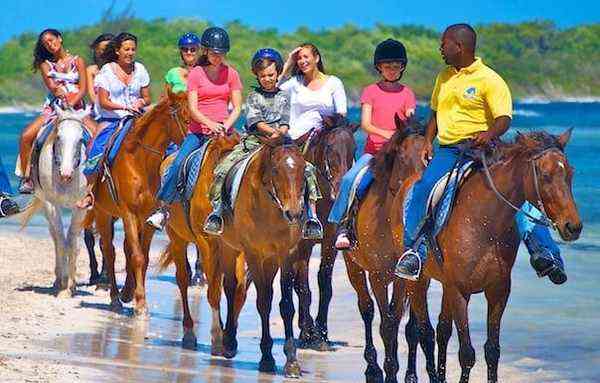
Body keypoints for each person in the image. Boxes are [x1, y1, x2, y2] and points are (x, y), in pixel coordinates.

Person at [394, 24, 566, 283]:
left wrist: (488, 135)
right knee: (424, 187)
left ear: (460, 46)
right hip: (450, 150)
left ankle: (545, 252)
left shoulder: (490, 79)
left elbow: (503, 118)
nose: (441, 49)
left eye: (445, 44)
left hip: (487, 149)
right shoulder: (443, 77)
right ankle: (413, 251)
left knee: (520, 191)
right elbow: (435, 114)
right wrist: (429, 140)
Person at [202, 48, 323, 238]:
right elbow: (255, 122)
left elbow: (285, 121)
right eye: (263, 76)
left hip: (282, 142)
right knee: (223, 169)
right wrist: (273, 133)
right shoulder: (253, 97)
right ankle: (217, 212)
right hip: (254, 141)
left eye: (271, 75)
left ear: (277, 74)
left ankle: (311, 216)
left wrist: (281, 133)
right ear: (257, 76)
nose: (267, 79)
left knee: (307, 169)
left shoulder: (284, 96)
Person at [146, 27, 242, 230]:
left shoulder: (231, 74)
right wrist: (210, 124)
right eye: (214, 52)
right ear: (205, 51)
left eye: (221, 53)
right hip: (199, 132)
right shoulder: (196, 74)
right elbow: (193, 108)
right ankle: (163, 208)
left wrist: (225, 125)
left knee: (247, 160)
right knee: (178, 163)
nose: (218, 57)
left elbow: (237, 107)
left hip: (225, 131)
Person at [328, 39, 416, 249]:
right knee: (350, 180)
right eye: (388, 67)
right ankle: (343, 226)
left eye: (396, 67)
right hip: (374, 155)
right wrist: (390, 135)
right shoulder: (370, 92)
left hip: (399, 155)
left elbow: (410, 124)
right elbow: (366, 125)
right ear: (379, 68)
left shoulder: (408, 94)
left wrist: (403, 138)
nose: (392, 71)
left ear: (402, 67)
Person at [79, 32, 151, 209]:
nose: (130, 53)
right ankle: (90, 191)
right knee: (97, 148)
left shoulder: (140, 69)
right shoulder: (107, 72)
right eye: (126, 49)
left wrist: (141, 101)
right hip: (112, 120)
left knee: (164, 144)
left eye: (133, 49)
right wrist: (125, 108)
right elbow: (103, 101)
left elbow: (147, 98)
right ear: (118, 51)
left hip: (137, 118)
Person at [18, 28, 95, 194]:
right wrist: (62, 100)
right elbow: (53, 87)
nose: (50, 45)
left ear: (60, 39)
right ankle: (28, 178)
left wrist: (73, 102)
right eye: (46, 44)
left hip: (77, 109)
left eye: (52, 41)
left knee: (97, 135)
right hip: (54, 109)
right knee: (26, 136)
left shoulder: (78, 61)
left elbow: (83, 89)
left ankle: (97, 178)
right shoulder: (46, 65)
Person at [279, 43, 347, 141]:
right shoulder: (295, 82)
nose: (302, 61)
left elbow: (342, 115)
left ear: (316, 58)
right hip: (295, 139)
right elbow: (272, 89)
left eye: (306, 57)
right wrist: (289, 63)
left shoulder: (334, 82)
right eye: (299, 58)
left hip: (325, 139)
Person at [86, 33, 114, 119]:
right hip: (98, 110)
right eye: (103, 49)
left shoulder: (118, 68)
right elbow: (92, 95)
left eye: (109, 49)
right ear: (96, 50)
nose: (106, 53)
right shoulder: (91, 70)